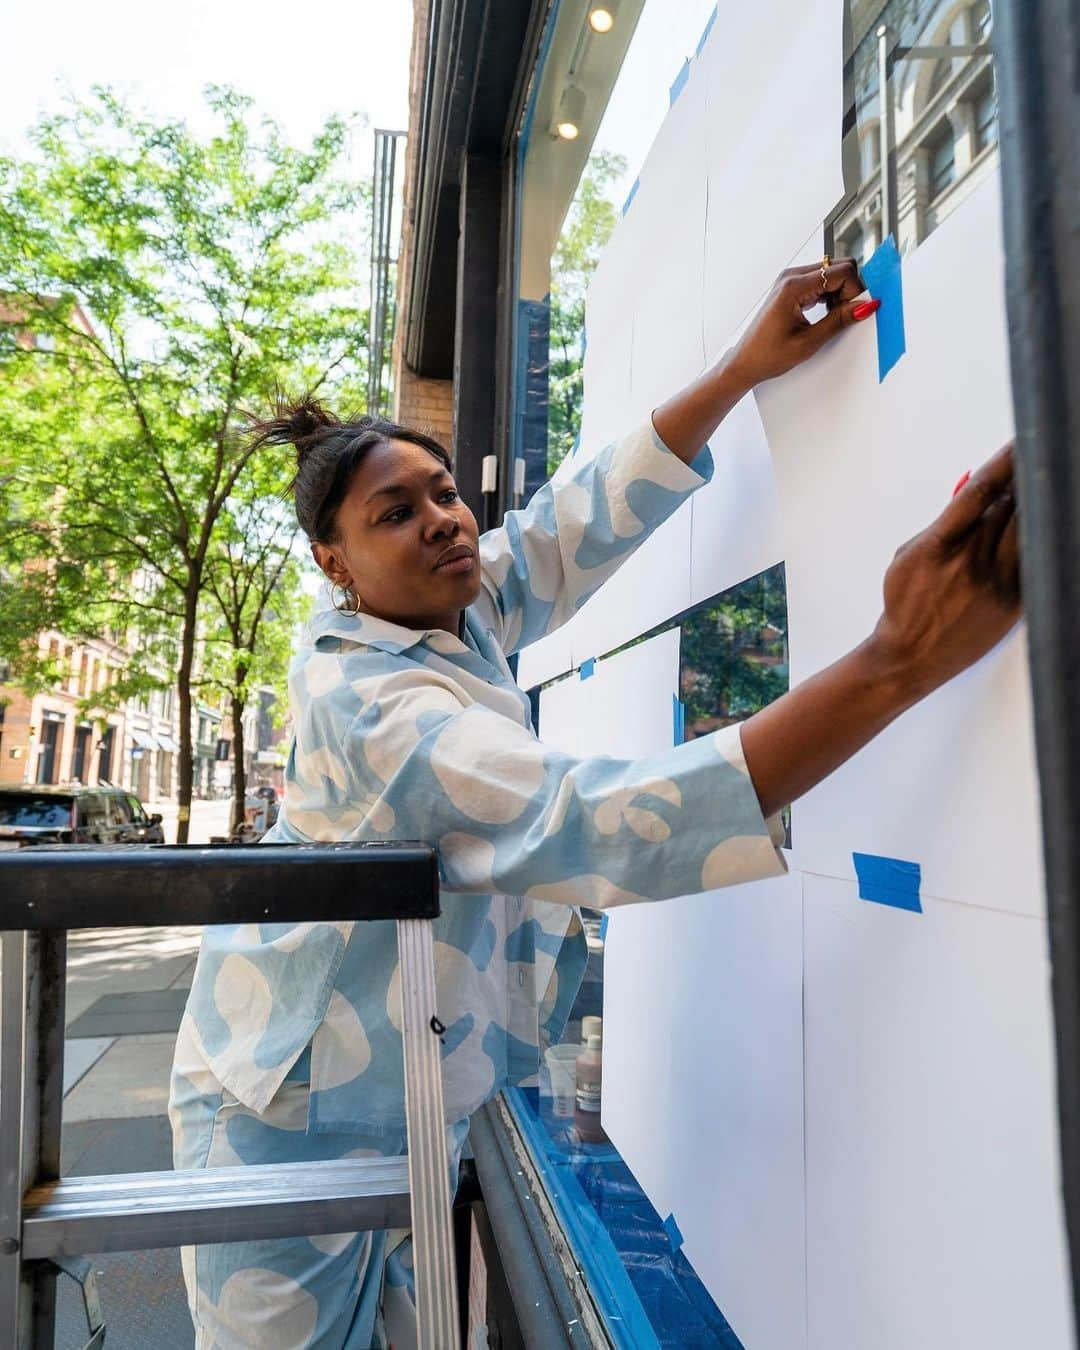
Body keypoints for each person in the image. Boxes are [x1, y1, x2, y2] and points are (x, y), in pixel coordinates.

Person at [169, 259, 1020, 1348]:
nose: (442, 520)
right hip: (284, 1113)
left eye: (443, 493)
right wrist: (894, 663)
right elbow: (581, 819)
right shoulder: (366, 700)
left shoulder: (451, 614)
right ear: (337, 564)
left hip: (414, 1096)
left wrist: (741, 368)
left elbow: (564, 530)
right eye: (397, 512)